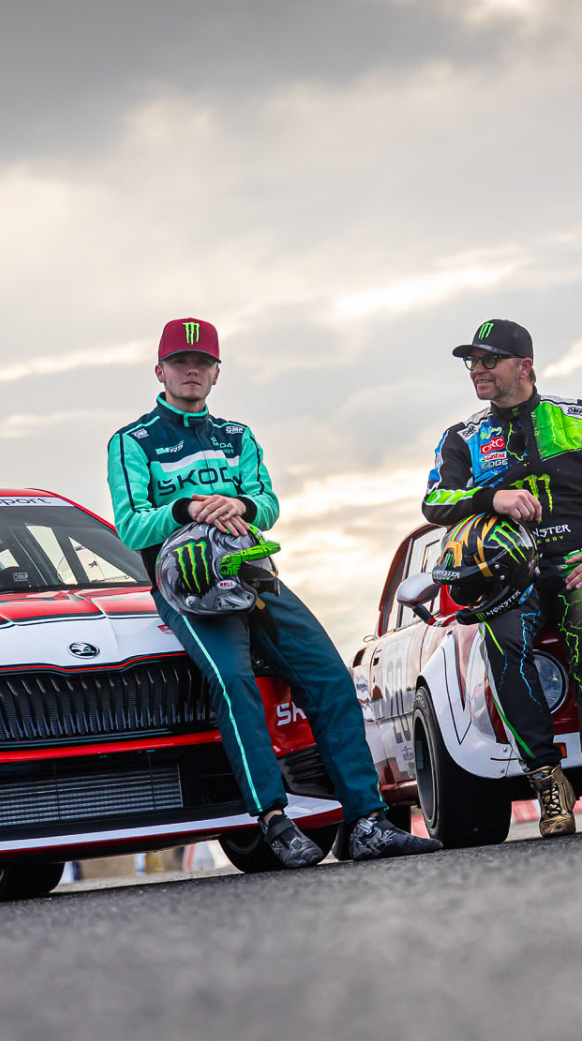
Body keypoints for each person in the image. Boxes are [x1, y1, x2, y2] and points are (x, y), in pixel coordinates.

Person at [107, 317, 440, 867]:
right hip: (188, 587)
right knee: (234, 682)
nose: (192, 371)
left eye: (203, 363)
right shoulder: (133, 441)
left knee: (332, 676)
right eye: (181, 363)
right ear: (160, 370)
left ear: (216, 373)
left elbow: (268, 504)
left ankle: (365, 821)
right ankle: (272, 821)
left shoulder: (238, 436)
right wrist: (190, 508)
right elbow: (132, 527)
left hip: (254, 573)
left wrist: (241, 506)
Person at [422, 318, 582, 837]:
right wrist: (491, 498)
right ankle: (548, 781)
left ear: (523, 366)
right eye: (471, 362)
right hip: (508, 579)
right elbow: (434, 501)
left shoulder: (579, 417)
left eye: (488, 360)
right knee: (504, 649)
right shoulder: (463, 437)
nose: (476, 371)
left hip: (579, 564)